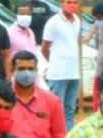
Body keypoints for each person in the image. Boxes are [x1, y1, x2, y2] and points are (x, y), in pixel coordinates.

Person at [42, 0, 81, 130]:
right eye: (69, 2)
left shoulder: (77, 20)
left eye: (75, 2)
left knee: (70, 109)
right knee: (55, 109)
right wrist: (54, 62)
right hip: (58, 74)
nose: (72, 5)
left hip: (74, 72)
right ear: (62, 3)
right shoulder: (53, 22)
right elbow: (45, 47)